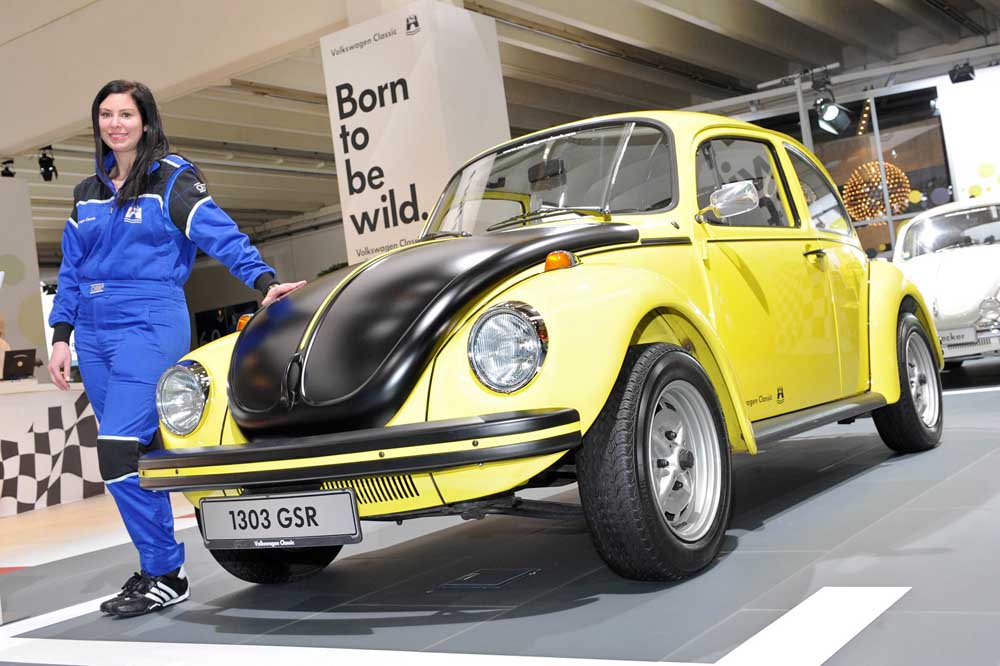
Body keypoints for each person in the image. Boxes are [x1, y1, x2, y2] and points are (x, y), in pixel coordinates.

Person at [46, 80, 305, 618]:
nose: (115, 124)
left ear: (145, 120)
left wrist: (262, 280)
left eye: (126, 114)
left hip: (148, 319)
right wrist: (62, 335)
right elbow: (70, 270)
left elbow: (219, 232)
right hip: (93, 332)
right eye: (106, 114)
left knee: (117, 448)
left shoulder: (171, 177)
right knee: (135, 454)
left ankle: (165, 570)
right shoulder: (86, 192)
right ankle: (161, 570)